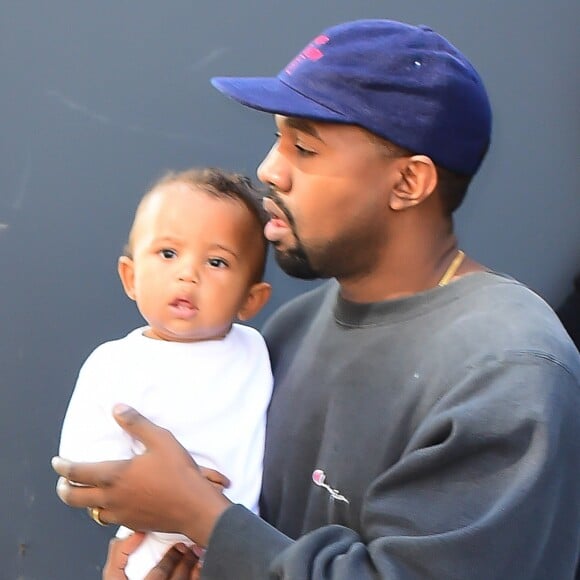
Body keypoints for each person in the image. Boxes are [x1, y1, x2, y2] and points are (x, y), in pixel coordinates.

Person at [52, 19, 580, 579]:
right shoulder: (288, 331)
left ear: (408, 183)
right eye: (278, 138)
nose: (268, 169)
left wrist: (204, 518)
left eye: (304, 146)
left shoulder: (510, 372)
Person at [57, 167, 273, 578]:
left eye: (216, 261)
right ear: (131, 277)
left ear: (251, 299)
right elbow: (84, 470)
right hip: (152, 556)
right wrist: (169, 498)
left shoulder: (256, 351)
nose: (187, 273)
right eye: (168, 253)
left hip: (248, 555)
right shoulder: (114, 365)